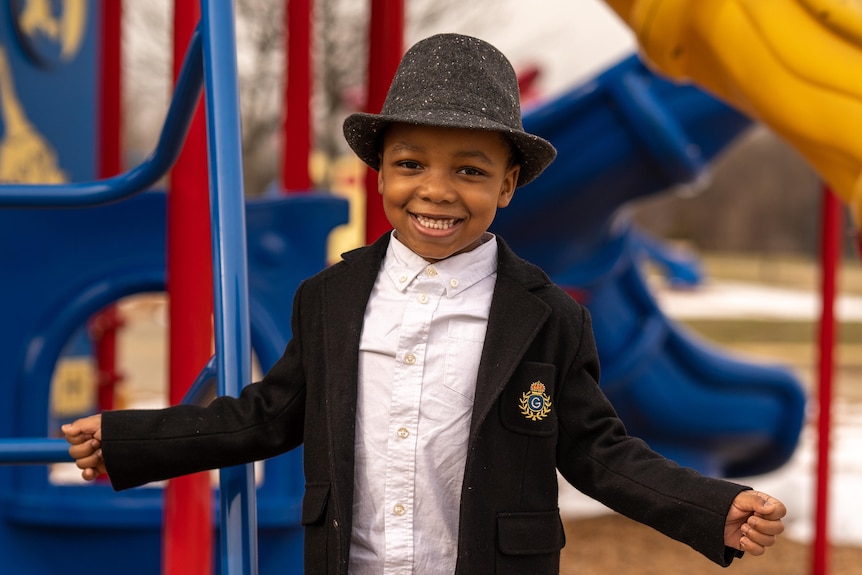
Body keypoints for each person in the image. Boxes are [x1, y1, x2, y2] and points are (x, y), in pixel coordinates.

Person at [63, 33, 786, 574]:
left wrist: (712, 508)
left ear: (507, 186)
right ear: (380, 174)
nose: (435, 191)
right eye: (410, 164)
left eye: (470, 170)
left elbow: (598, 450)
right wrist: (131, 441)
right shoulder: (332, 298)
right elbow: (267, 415)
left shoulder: (548, 317)